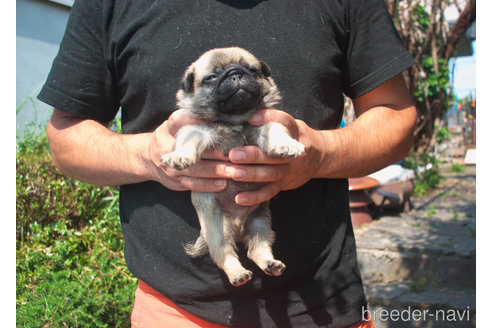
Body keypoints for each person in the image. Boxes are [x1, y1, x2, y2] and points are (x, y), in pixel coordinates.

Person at [39, 0, 416, 327]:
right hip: (173, 310)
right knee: (214, 221)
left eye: (247, 72)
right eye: (216, 77)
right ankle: (230, 261)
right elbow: (65, 138)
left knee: (259, 224)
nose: (234, 80)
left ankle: (260, 252)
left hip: (324, 304)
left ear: (265, 77)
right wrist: (148, 158)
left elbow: (397, 118)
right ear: (188, 87)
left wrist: (320, 152)